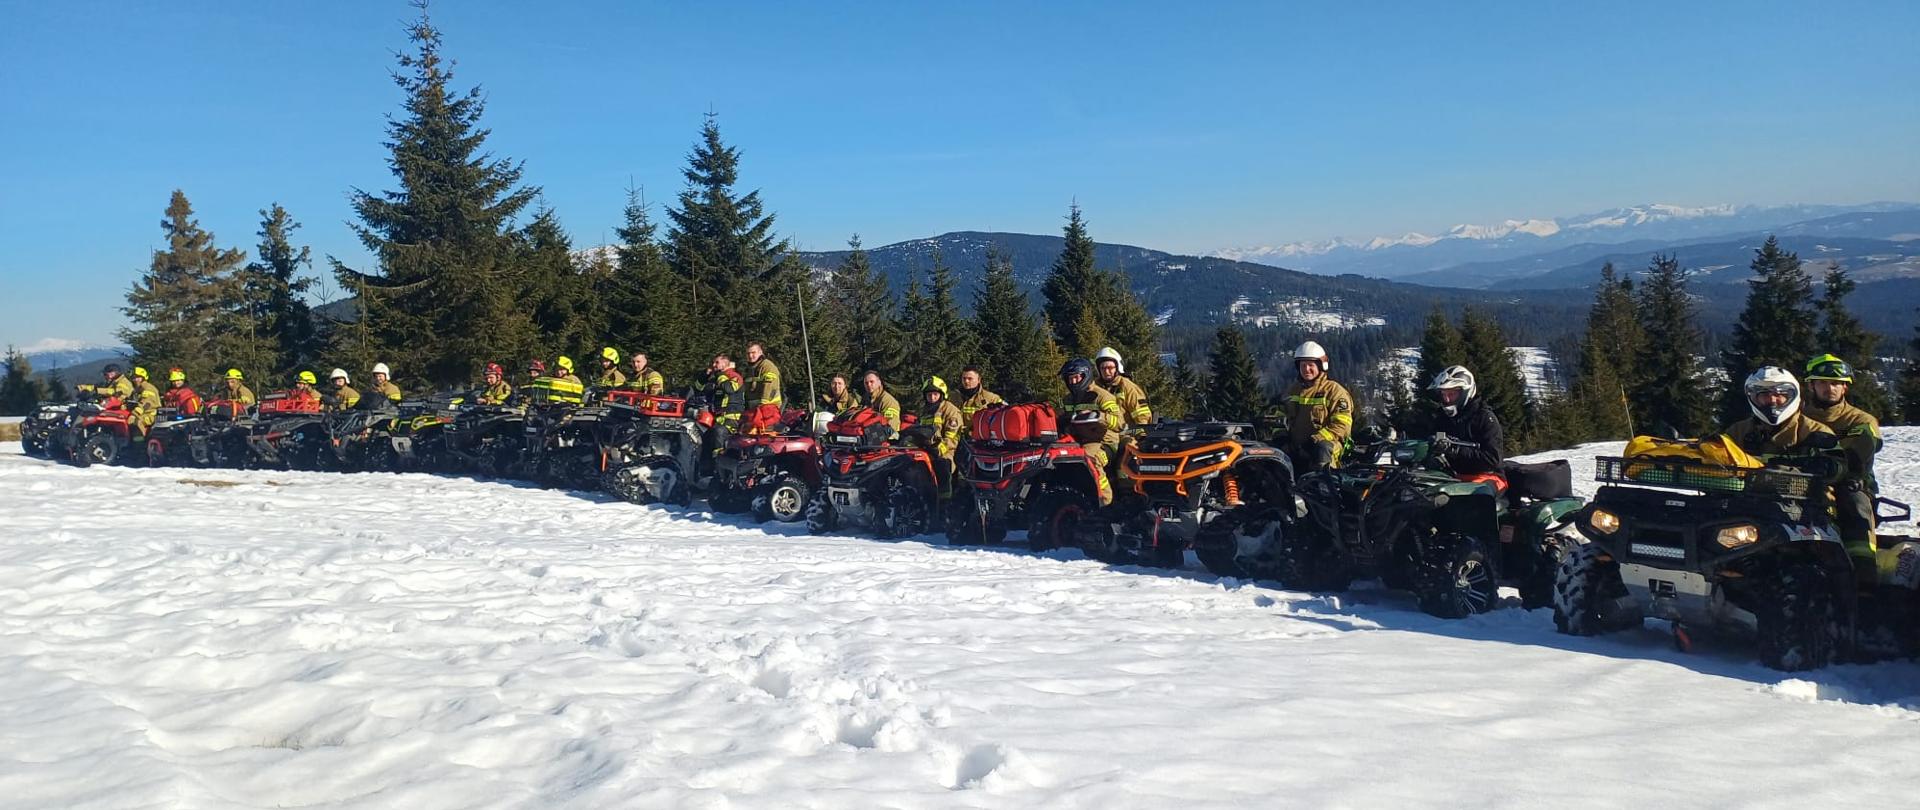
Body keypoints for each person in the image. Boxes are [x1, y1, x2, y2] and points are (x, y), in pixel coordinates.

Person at [1800, 354, 1883, 574]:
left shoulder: (1861, 420)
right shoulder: (1796, 417)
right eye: (1823, 382)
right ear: (1811, 385)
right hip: (1799, 481)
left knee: (1856, 506)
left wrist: (1841, 470)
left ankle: (1864, 570)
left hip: (1850, 482)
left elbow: (1859, 455)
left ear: (1845, 387)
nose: (1830, 388)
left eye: (1836, 383)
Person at [1266, 341, 1355, 471]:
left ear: (1321, 366)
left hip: (1327, 446)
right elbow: (1278, 417)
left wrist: (1316, 440)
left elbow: (1342, 426)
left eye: (1310, 365)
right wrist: (1281, 437)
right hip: (1296, 447)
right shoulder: (1292, 391)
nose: (1306, 369)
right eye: (1303, 365)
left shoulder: (1335, 392)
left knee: (1322, 450)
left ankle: (1324, 483)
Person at [1717, 366, 1834, 457]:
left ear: (1792, 396)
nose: (1772, 400)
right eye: (1764, 394)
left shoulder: (1817, 432)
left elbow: (1839, 468)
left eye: (1779, 394)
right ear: (1754, 398)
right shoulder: (1738, 432)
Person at [1061, 358, 1122, 506]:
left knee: (1091, 460)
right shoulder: (1068, 399)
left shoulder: (1102, 396)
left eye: (1076, 377)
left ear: (1086, 375)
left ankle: (1106, 503)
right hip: (1078, 441)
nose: (1073, 382)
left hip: (1105, 442)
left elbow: (1119, 423)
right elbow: (1067, 419)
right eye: (1070, 379)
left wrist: (1099, 416)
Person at [1427, 365, 1503, 477]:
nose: (1447, 399)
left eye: (1451, 394)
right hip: (1452, 477)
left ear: (1465, 392)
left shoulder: (1484, 418)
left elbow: (1493, 459)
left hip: (1486, 477)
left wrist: (1456, 450)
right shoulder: (1442, 417)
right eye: (1443, 394)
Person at [918, 376, 965, 495]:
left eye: (935, 394)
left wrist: (938, 450)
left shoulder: (950, 410)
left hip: (947, 452)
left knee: (941, 466)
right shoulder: (925, 411)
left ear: (942, 395)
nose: (932, 398)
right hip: (926, 450)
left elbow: (952, 438)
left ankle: (945, 500)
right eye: (929, 395)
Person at [1093, 346, 1153, 427]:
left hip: (1125, 431)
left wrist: (1141, 432)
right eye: (1103, 368)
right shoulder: (1094, 387)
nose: (1106, 371)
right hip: (1097, 432)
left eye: (1110, 368)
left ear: (1118, 368)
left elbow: (1142, 416)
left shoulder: (1128, 387)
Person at [742, 341, 783, 434]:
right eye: (748, 353)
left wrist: (763, 404)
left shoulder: (767, 366)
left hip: (768, 410)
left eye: (753, 353)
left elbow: (770, 386)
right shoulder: (750, 369)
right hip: (754, 410)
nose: (750, 356)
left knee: (765, 437)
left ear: (760, 352)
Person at [953, 366, 1005, 431]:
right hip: (955, 435)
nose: (966, 381)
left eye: (970, 378)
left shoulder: (990, 398)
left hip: (980, 435)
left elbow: (1004, 414)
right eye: (964, 378)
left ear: (979, 380)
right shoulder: (953, 397)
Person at [126, 366, 162, 438]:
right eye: (134, 377)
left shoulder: (148, 388)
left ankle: (140, 442)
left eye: (138, 377)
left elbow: (146, 404)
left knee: (135, 421)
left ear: (143, 378)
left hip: (152, 415)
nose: (135, 380)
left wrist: (135, 413)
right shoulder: (137, 390)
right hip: (143, 413)